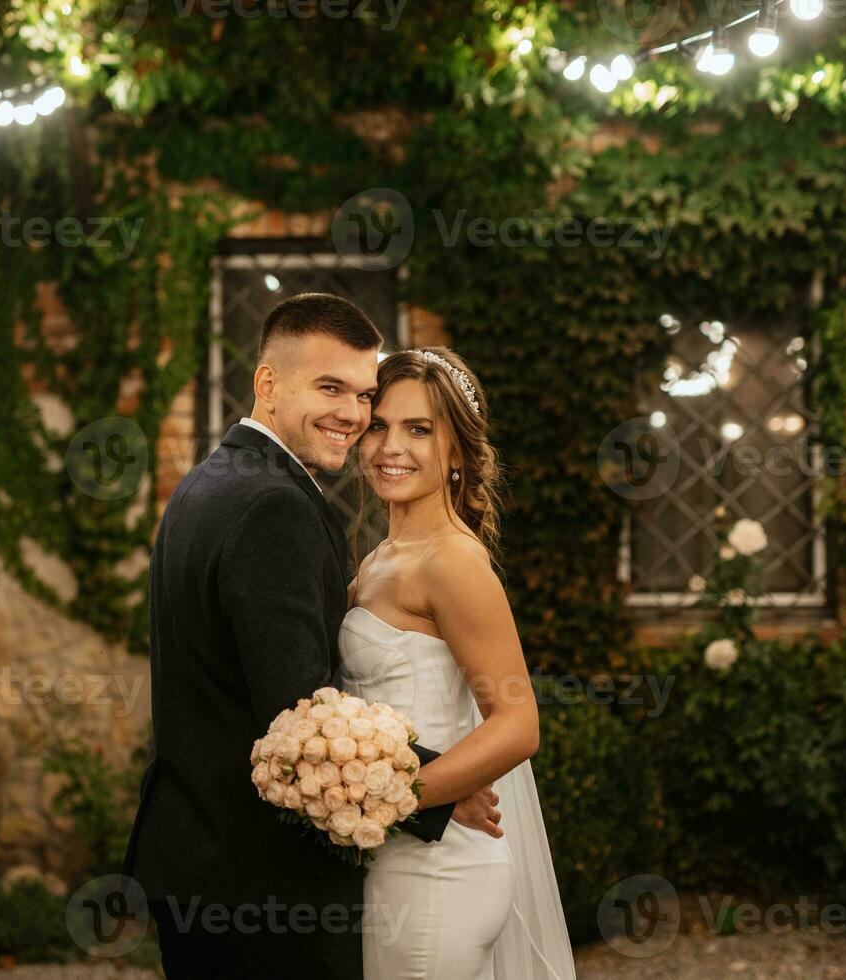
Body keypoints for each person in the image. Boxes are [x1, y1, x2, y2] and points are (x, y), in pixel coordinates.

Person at [121, 293, 502, 980]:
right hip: (261, 879)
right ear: (268, 383)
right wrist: (425, 788)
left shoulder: (207, 482)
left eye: (363, 394)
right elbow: (298, 711)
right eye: (331, 388)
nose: (353, 416)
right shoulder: (273, 506)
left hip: (200, 860)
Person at [343, 346, 575, 979]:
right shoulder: (382, 558)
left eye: (419, 429)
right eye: (380, 425)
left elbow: (518, 722)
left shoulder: (450, 562)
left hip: (440, 870)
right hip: (398, 858)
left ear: (456, 454)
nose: (392, 446)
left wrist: (396, 794)